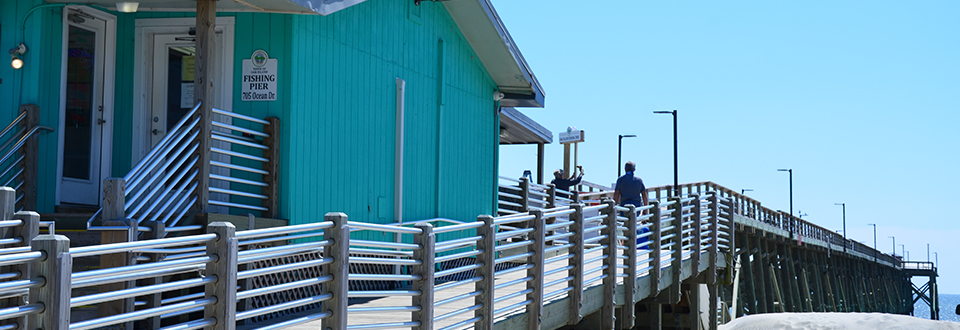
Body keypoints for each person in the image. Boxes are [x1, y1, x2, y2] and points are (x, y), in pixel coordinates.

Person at [614, 161, 650, 248]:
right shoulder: (639, 180)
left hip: (624, 207)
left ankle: (626, 243)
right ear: (634, 169)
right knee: (633, 224)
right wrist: (646, 208)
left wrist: (613, 206)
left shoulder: (620, 179)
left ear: (625, 169)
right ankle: (633, 243)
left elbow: (616, 194)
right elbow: (644, 195)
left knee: (626, 225)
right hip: (636, 207)